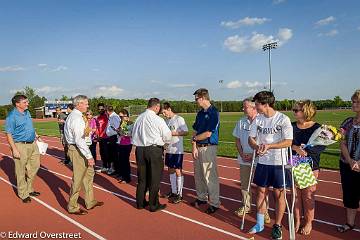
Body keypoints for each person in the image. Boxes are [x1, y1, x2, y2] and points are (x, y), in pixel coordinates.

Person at [248, 91, 293, 240]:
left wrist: (269, 146)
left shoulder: (283, 119)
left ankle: (277, 225)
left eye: (257, 104)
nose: (255, 107)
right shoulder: (258, 119)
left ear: (266, 104)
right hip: (262, 162)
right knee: (260, 191)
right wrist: (256, 146)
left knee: (279, 194)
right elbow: (251, 139)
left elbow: (288, 141)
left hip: (279, 162)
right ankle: (260, 223)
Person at [232, 98, 271, 224]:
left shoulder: (262, 121)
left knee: (262, 187)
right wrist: (242, 154)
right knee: (245, 185)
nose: (243, 109)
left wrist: (254, 153)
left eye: (245, 107)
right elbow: (237, 140)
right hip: (244, 158)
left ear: (254, 108)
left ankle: (264, 212)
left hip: (260, 159)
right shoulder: (241, 121)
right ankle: (246, 206)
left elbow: (265, 141)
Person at [64, 95, 104, 215]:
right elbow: (79, 140)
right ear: (79, 104)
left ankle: (90, 201)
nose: (88, 105)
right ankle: (72, 206)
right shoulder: (76, 118)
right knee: (78, 178)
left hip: (79, 148)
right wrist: (89, 156)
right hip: (77, 150)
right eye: (86, 103)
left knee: (89, 174)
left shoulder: (78, 116)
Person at [291, 100, 325, 235]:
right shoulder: (292, 126)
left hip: (310, 167)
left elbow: (321, 146)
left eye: (296, 110)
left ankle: (308, 222)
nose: (293, 112)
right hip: (294, 164)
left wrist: (306, 151)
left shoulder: (317, 128)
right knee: (296, 196)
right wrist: (295, 148)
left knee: (308, 196)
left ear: (306, 111)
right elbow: (287, 143)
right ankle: (297, 220)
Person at [132, 98, 172, 212]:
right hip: (154, 150)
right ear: (156, 107)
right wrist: (165, 144)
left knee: (142, 178)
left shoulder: (139, 118)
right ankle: (153, 204)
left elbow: (133, 134)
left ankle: (140, 203)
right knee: (155, 178)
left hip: (140, 150)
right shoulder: (157, 119)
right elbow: (167, 135)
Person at [5, 95, 41, 203]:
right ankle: (23, 193)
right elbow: (9, 134)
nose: (27, 104)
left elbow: (30, 126)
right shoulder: (12, 116)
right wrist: (14, 149)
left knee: (35, 166)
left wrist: (36, 135)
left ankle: (29, 188)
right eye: (25, 102)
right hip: (20, 145)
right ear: (17, 104)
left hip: (32, 144)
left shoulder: (27, 112)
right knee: (20, 170)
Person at [191, 88, 220, 214]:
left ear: (203, 98)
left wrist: (195, 138)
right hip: (198, 147)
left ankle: (214, 202)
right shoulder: (200, 113)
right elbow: (196, 129)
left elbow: (208, 133)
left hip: (208, 147)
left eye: (196, 98)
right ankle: (201, 197)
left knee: (210, 177)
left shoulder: (213, 112)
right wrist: (194, 145)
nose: (195, 101)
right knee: (198, 175)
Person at [337, 89, 360, 233]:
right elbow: (342, 141)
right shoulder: (347, 122)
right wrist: (350, 161)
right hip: (347, 164)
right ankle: (350, 223)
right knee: (349, 194)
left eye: (357, 101)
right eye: (353, 101)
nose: (354, 104)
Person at [162, 102, 189, 204]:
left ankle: (180, 194)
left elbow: (186, 132)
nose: (164, 115)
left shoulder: (179, 119)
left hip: (177, 150)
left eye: (164, 112)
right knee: (170, 170)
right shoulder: (166, 121)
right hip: (169, 149)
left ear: (169, 109)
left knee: (178, 171)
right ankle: (173, 191)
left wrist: (174, 133)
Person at [117, 109, 133, 183]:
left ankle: (127, 178)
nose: (121, 118)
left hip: (127, 144)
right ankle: (122, 175)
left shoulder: (130, 123)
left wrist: (123, 133)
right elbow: (120, 133)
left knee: (125, 161)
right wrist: (118, 131)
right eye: (120, 117)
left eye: (122, 116)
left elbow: (130, 134)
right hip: (121, 143)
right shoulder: (121, 123)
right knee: (121, 160)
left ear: (126, 116)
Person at [105, 105, 121, 175]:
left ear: (107, 111)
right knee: (111, 154)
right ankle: (114, 168)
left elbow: (117, 128)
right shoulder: (111, 117)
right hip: (111, 137)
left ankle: (116, 169)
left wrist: (114, 131)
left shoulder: (114, 117)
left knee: (114, 154)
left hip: (114, 137)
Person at [96, 103, 109, 173]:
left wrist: (102, 135)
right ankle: (104, 166)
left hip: (106, 137)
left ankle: (108, 167)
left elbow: (106, 127)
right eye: (99, 109)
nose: (100, 110)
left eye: (102, 109)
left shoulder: (106, 116)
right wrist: (98, 135)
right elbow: (98, 127)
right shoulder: (98, 117)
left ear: (104, 109)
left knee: (107, 153)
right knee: (102, 152)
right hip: (100, 138)